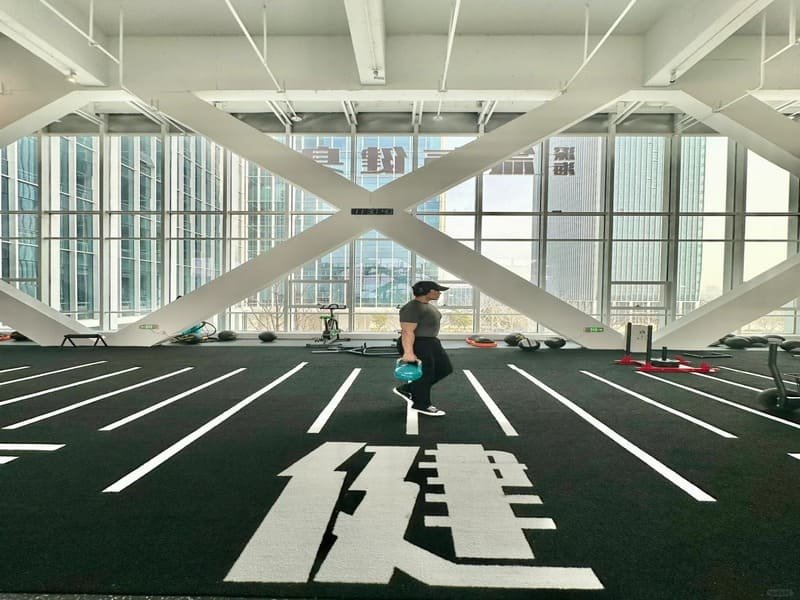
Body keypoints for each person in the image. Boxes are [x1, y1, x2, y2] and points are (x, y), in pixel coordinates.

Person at [392, 281, 453, 417]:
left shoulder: (426, 306)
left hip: (431, 342)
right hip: (418, 343)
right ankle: (421, 404)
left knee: (445, 369)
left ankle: (408, 389)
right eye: (437, 290)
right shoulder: (412, 308)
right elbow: (407, 331)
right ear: (427, 291)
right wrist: (408, 352)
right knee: (425, 374)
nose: (439, 293)